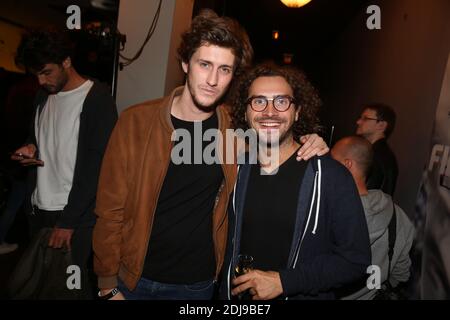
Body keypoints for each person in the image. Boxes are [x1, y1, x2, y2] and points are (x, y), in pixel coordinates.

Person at [93, 10, 328, 301]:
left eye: (225, 69)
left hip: (196, 283)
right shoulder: (136, 121)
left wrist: (310, 140)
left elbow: (278, 140)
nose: (213, 80)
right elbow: (109, 210)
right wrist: (106, 283)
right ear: (185, 64)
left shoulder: (236, 127)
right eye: (205, 64)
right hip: (132, 279)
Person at [219, 63, 370, 300]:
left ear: (297, 110)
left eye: (281, 101)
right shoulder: (234, 170)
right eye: (258, 101)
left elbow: (356, 260)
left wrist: (285, 282)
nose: (269, 111)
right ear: (246, 113)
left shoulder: (330, 176)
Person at [11, 29, 118, 298]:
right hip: (39, 210)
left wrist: (69, 222)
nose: (40, 80)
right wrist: (30, 146)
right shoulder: (43, 96)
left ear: (67, 62)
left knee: (71, 291)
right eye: (35, 74)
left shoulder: (97, 99)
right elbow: (42, 135)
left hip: (75, 217)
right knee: (40, 288)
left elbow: (98, 167)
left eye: (46, 72)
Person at [331, 136, 414, 299]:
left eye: (331, 160)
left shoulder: (328, 215)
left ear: (347, 165)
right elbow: (401, 274)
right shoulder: (398, 216)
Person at [356, 103, 398, 195]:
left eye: (365, 118)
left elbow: (365, 194)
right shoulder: (382, 154)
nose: (358, 122)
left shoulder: (374, 156)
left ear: (381, 125)